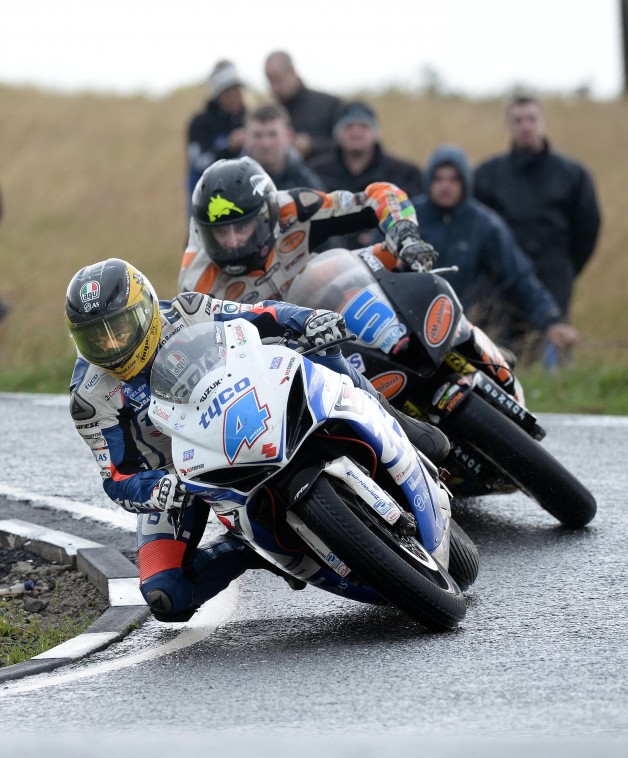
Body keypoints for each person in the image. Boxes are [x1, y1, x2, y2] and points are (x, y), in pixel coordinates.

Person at [66, 258, 448, 621]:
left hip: (245, 403)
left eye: (120, 327)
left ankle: (394, 419)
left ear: (145, 307)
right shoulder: (89, 397)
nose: (113, 346)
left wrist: (309, 320)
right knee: (166, 597)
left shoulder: (187, 311)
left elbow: (261, 314)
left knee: (323, 348)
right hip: (179, 475)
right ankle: (253, 548)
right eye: (96, 339)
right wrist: (158, 490)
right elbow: (115, 476)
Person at [411, 145, 579, 357]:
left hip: (468, 334)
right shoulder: (407, 218)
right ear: (429, 181)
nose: (446, 186)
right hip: (412, 329)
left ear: (465, 183)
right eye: (439, 178)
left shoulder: (485, 225)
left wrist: (552, 321)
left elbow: (519, 276)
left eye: (454, 179)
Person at [474, 95, 601, 325]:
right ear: (508, 125)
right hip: (502, 280)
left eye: (532, 119)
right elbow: (478, 228)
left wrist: (566, 267)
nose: (526, 126)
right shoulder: (487, 175)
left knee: (553, 343)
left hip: (555, 275)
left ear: (543, 122)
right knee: (501, 350)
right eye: (518, 120)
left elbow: (588, 228)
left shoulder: (573, 175)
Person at [309, 101, 423, 249]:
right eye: (349, 127)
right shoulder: (316, 171)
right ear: (337, 133)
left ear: (375, 133)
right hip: (326, 262)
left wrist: (381, 235)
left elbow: (418, 216)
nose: (356, 133)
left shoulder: (406, 174)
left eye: (363, 126)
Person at [185, 60, 247, 216]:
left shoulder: (248, 120)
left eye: (236, 90)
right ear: (218, 94)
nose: (234, 96)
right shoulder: (201, 123)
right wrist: (229, 147)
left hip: (244, 200)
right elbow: (199, 162)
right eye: (227, 92)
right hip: (207, 202)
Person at [264, 50, 343, 164]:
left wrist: (312, 145)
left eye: (278, 79)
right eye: (270, 81)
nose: (274, 87)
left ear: (292, 72)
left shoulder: (330, 105)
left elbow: (348, 146)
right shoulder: (271, 114)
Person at [242, 103, 327, 191]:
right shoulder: (230, 180)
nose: (265, 144)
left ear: (288, 136)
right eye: (257, 135)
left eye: (273, 134)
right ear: (245, 138)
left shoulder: (308, 185)